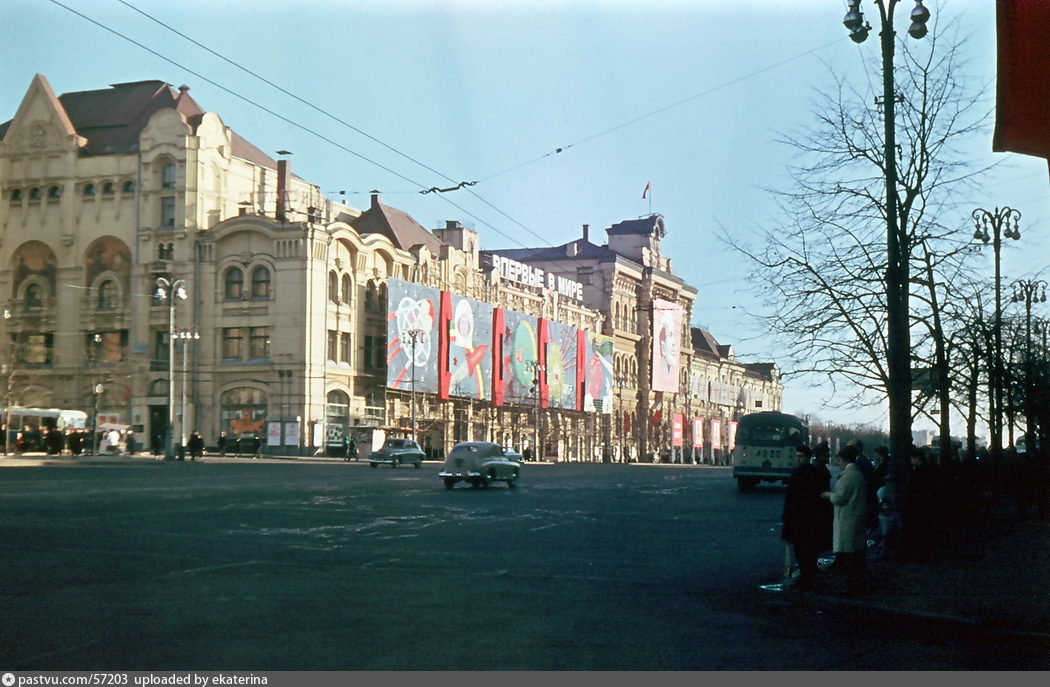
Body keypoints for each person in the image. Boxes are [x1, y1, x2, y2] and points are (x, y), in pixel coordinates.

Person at [781, 444, 829, 591]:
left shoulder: (803, 473)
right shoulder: (810, 473)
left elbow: (793, 498)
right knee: (805, 550)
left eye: (800, 457)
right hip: (806, 517)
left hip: (802, 517)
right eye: (797, 457)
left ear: (808, 457)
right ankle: (808, 577)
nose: (798, 459)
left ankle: (807, 579)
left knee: (802, 550)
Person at [822, 446, 869, 595]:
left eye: (839, 461)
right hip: (855, 517)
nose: (838, 464)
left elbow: (840, 498)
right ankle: (858, 583)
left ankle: (851, 586)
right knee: (855, 553)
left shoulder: (848, 476)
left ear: (843, 460)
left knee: (849, 553)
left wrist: (829, 494)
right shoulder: (856, 474)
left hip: (848, 519)